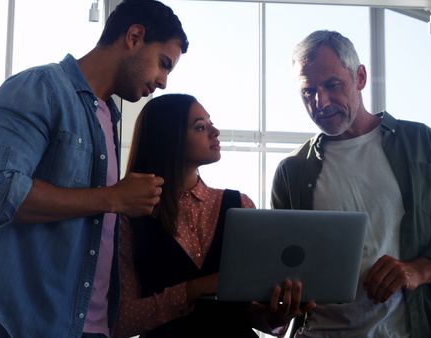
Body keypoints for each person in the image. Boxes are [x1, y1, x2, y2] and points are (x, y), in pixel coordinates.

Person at [0, 1, 189, 337]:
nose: (162, 82)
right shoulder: (39, 89)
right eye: (163, 64)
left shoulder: (108, 119)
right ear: (134, 36)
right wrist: (112, 199)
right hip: (28, 328)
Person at [271, 30, 431, 337]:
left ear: (360, 77)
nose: (320, 102)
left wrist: (417, 270)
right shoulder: (291, 172)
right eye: (307, 92)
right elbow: (284, 268)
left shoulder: (423, 145)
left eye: (331, 85)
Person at [114, 94, 315, 338]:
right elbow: (121, 321)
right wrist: (195, 289)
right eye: (200, 127)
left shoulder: (239, 205)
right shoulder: (130, 217)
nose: (215, 131)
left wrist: (277, 316)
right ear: (168, 139)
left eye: (211, 123)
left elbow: (252, 314)